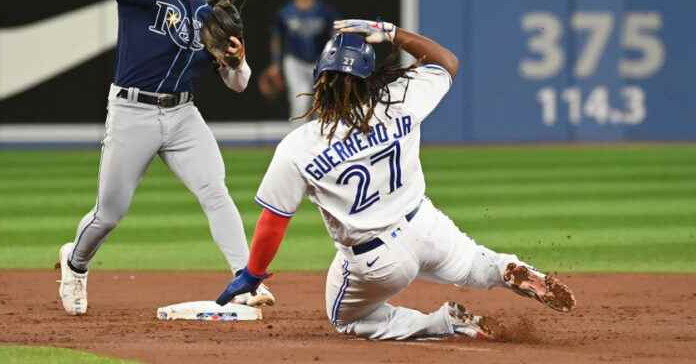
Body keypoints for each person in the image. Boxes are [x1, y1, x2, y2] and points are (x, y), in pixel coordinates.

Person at [216, 20, 576, 340]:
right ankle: (505, 267)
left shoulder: (300, 146)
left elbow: (274, 221)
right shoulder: (399, 97)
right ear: (370, 76)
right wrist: (391, 32)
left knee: (345, 318)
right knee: (473, 265)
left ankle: (443, 323)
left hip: (378, 261)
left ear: (319, 79)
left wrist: (252, 273)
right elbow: (446, 62)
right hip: (426, 225)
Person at [56, 0, 275, 315]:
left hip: (182, 115)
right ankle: (75, 263)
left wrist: (237, 60)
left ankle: (245, 280)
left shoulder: (210, 16)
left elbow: (238, 83)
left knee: (215, 190)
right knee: (109, 214)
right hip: (132, 111)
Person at [258, 0, 338, 123]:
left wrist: (334, 60)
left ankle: (320, 143)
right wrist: (275, 64)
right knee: (300, 103)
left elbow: (335, 35)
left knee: (321, 105)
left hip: (320, 63)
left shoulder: (326, 11)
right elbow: (277, 38)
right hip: (295, 61)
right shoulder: (285, 12)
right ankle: (297, 144)